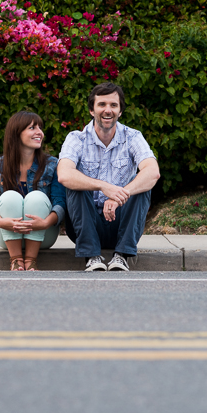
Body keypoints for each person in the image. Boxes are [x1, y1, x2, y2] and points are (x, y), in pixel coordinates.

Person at [57, 82, 160, 271]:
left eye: (113, 105)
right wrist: (103, 186)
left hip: (121, 225)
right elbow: (64, 174)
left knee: (142, 185)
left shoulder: (133, 137)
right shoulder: (76, 138)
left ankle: (122, 255)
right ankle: (91, 255)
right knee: (76, 184)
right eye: (102, 104)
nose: (108, 110)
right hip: (85, 225)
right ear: (91, 110)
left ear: (120, 111)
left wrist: (120, 194)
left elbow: (153, 171)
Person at [0, 111, 66, 271]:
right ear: (16, 133)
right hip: (6, 235)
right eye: (32, 127)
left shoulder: (52, 165)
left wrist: (46, 223)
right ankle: (16, 259)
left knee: (37, 198)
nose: (39, 132)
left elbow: (60, 202)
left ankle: (31, 260)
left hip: (43, 235)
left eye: (40, 127)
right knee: (10, 197)